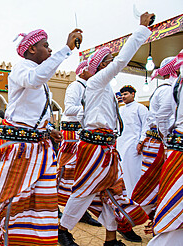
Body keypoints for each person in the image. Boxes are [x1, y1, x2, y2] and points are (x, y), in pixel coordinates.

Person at [0, 28, 81, 246]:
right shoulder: (22, 69)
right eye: (46, 46)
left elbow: (33, 113)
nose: (50, 49)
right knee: (5, 194)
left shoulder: (40, 76)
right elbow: (34, 80)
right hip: (18, 147)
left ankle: (29, 238)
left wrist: (48, 130)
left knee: (40, 196)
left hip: (39, 147)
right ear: (31, 49)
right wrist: (66, 50)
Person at [58, 13, 153, 246]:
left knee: (110, 193)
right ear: (102, 65)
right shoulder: (97, 82)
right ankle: (63, 230)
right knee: (84, 191)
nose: (113, 63)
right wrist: (141, 30)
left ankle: (110, 238)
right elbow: (122, 60)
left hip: (106, 148)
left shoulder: (105, 89)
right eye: (109, 60)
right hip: (95, 147)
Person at [57, 60, 102, 227]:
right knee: (64, 171)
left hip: (82, 133)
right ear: (83, 71)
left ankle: (78, 211)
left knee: (78, 173)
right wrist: (92, 109)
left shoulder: (89, 87)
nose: (95, 72)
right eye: (92, 70)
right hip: (71, 131)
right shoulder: (76, 86)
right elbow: (68, 109)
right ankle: (54, 207)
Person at [147, 51, 183, 245]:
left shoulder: (172, 86)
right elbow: (161, 117)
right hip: (171, 145)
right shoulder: (168, 89)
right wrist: (167, 138)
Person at [114, 85, 149, 242]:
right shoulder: (121, 109)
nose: (124, 96)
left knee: (134, 173)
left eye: (126, 94)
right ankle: (127, 199)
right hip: (121, 144)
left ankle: (136, 200)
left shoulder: (140, 108)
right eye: (122, 94)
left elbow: (146, 126)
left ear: (133, 94)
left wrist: (141, 141)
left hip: (134, 145)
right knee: (123, 174)